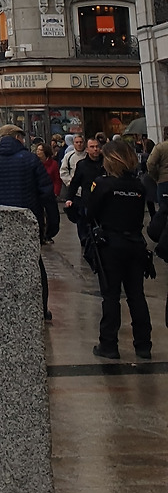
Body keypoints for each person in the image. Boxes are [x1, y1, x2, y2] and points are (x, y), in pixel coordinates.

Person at [81, 136, 154, 361]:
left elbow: (90, 212)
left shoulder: (103, 184)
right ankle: (143, 345)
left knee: (111, 296)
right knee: (136, 295)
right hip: (135, 243)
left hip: (111, 244)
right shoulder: (138, 186)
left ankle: (109, 344)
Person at [0, 124, 54, 318]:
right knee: (35, 264)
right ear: (17, 138)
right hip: (29, 221)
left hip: (0, 223)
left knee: (3, 265)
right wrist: (52, 223)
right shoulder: (30, 160)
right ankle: (41, 309)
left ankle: (6, 308)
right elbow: (46, 192)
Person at [34, 142, 61, 243]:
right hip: (38, 193)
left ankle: (49, 234)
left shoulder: (53, 164)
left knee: (52, 216)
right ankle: (41, 235)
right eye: (37, 150)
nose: (38, 152)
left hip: (50, 193)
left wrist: (55, 192)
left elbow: (57, 179)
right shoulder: (35, 163)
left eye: (40, 150)